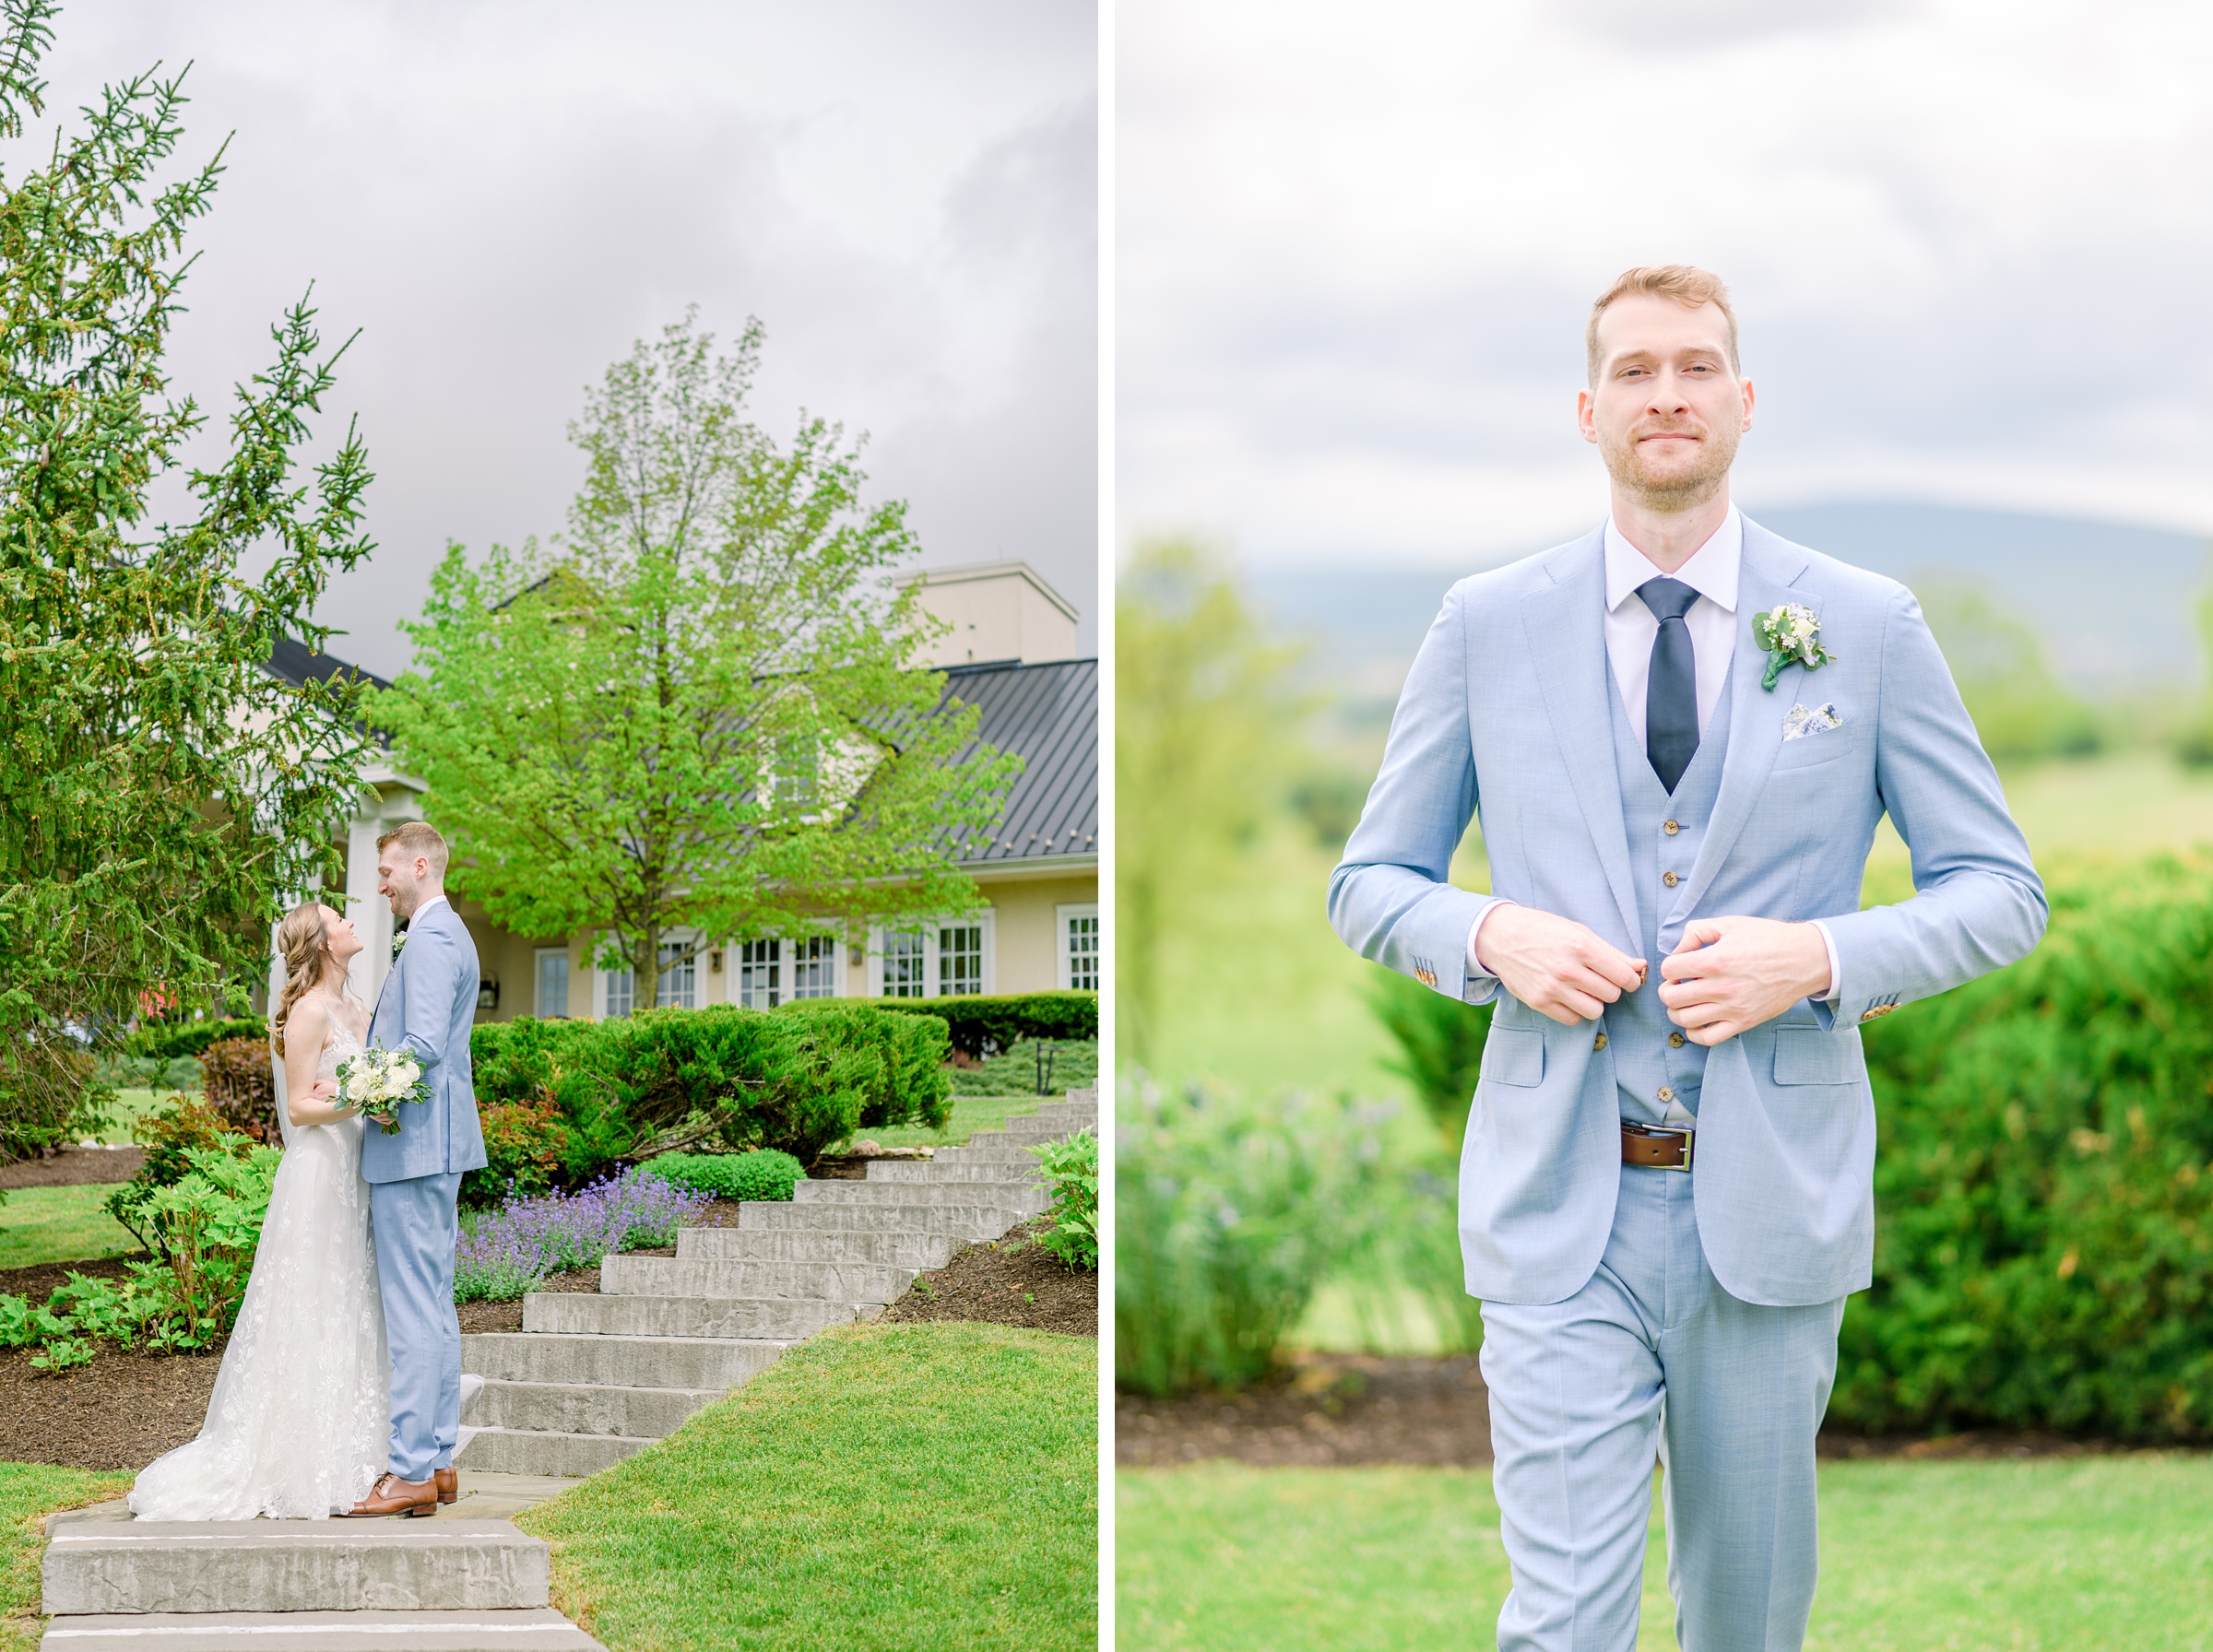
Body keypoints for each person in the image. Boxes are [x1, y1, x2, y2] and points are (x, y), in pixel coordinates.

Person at [1328, 265, 2046, 1650]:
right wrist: (1489, 932)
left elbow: (2000, 891)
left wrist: (1821, 957)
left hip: (1772, 1214)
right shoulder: (1485, 622)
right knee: (1565, 1622)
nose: (1669, 393)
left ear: (1745, 399)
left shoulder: (1867, 623)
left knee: (1747, 1619)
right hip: (1557, 1212)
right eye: (1639, 370)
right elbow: (1370, 883)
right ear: (1590, 408)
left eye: (1698, 367)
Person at [129, 903, 391, 1520]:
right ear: (322, 943)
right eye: (339, 919)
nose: (352, 922)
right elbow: (300, 1108)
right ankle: (297, 1457)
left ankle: (359, 1448)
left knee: (352, 1298)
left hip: (356, 1165)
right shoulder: (307, 1012)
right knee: (312, 1300)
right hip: (320, 1172)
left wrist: (376, 1098)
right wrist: (360, 1097)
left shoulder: (357, 1005)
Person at [343, 820, 489, 1518]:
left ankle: (407, 1471)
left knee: (413, 1309)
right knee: (433, 1304)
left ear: (421, 865)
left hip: (415, 1145)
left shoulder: (431, 939)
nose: (381, 885)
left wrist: (361, 1086)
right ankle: (436, 1463)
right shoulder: (446, 933)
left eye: (388, 872)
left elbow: (424, 1044)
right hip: (438, 1144)